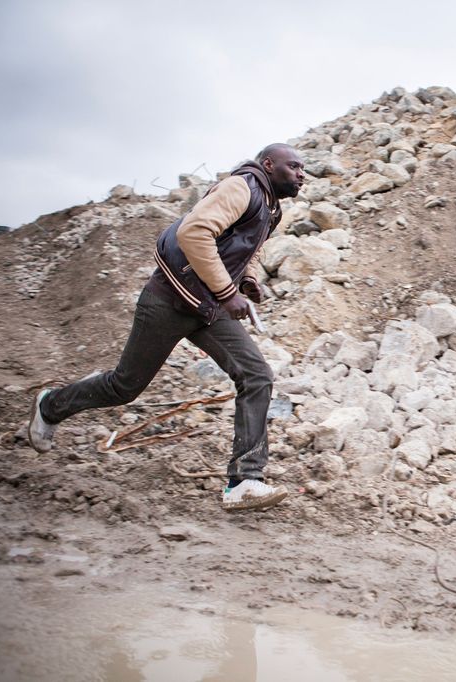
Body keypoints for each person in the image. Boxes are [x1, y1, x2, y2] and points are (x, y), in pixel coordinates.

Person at [27, 143, 305, 512]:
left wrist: (249, 278)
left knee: (257, 376)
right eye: (294, 166)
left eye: (303, 169)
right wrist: (228, 292)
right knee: (124, 386)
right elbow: (194, 233)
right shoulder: (242, 187)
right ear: (268, 165)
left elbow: (247, 250)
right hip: (169, 301)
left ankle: (244, 481)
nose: (301, 174)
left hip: (207, 308)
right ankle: (51, 405)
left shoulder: (271, 208)